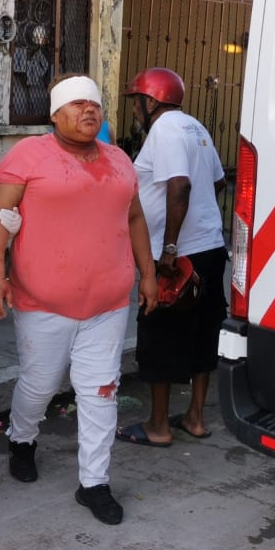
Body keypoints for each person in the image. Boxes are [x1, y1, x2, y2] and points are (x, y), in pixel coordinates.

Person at [0, 74, 159, 526]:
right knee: (40, 385)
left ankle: (94, 483)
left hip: (109, 303)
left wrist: (149, 273)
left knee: (101, 391)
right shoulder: (28, 156)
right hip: (43, 304)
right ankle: (22, 439)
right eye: (77, 104)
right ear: (55, 115)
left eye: (94, 104)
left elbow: (135, 216)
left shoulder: (120, 160)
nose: (89, 111)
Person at [116, 68, 227, 447]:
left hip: (178, 257)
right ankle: (195, 418)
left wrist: (169, 248)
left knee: (158, 332)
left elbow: (180, 184)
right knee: (203, 332)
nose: (134, 110)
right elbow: (217, 181)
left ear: (150, 102)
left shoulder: (163, 130)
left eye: (136, 102)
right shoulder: (194, 127)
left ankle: (159, 426)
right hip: (211, 246)